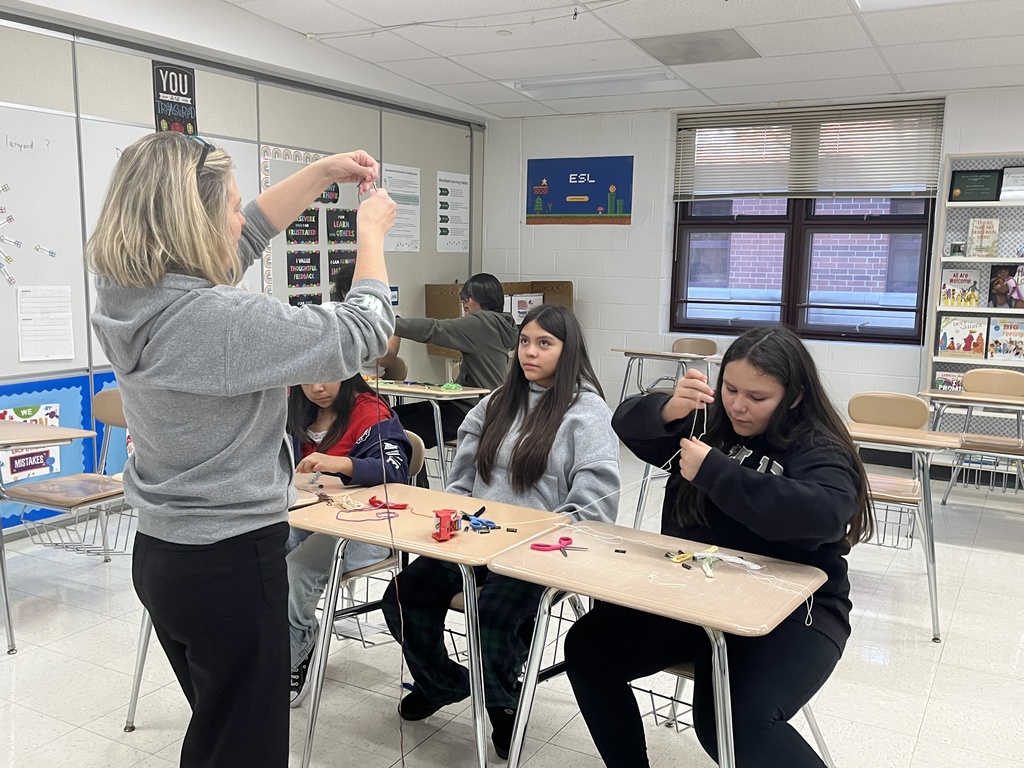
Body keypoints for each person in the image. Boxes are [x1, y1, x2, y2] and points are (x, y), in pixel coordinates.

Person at [88, 130, 396, 768]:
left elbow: (250, 231)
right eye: (228, 204)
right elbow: (367, 332)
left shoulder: (129, 294)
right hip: (229, 561)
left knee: (219, 729)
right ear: (192, 221)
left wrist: (320, 172)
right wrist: (371, 233)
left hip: (164, 554)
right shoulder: (216, 321)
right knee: (245, 749)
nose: (241, 216)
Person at [564, 325, 873, 768]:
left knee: (731, 727)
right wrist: (669, 407)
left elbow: (826, 514)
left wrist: (716, 472)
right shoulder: (712, 422)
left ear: (795, 396)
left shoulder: (816, 445)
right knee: (589, 648)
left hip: (792, 612)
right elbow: (627, 421)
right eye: (730, 388)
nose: (738, 405)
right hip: (698, 601)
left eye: (758, 397)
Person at [381, 304, 620, 759]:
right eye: (525, 342)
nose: (530, 352)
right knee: (403, 594)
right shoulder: (496, 401)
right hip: (475, 539)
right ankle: (443, 683)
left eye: (544, 343)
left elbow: (596, 500)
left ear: (568, 352)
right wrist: (457, 519)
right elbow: (462, 477)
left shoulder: (585, 412)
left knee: (492, 616)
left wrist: (544, 537)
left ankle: (504, 704)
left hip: (537, 551)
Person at [285, 374, 412, 706]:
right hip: (312, 516)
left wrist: (340, 463)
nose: (317, 387)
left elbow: (395, 470)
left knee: (298, 568)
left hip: (367, 527)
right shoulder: (296, 412)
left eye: (326, 377)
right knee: (263, 550)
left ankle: (298, 646)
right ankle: (274, 641)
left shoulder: (369, 411)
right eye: (306, 379)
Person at [392, 273, 517, 479]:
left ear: (484, 298)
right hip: (481, 407)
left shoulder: (481, 323)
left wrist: (392, 323)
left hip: (474, 412)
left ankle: (416, 489)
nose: (464, 303)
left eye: (468, 297)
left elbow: (435, 329)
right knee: (393, 416)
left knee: (399, 430)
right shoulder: (502, 325)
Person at [332, 262, 401, 376]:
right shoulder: (332, 311)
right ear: (344, 294)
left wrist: (372, 332)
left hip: (371, 383)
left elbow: (385, 360)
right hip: (339, 381)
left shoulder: (390, 320)